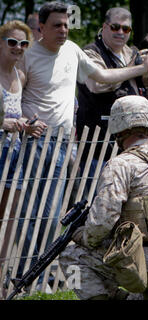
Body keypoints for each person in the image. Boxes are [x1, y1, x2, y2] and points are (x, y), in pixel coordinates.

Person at [17, 1, 148, 280]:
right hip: (35, 142)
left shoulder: (72, 50)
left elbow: (102, 76)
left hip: (64, 144)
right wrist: (23, 120)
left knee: (51, 212)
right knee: (31, 211)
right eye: (57, 25)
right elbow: (14, 93)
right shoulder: (28, 55)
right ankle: (26, 271)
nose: (64, 30)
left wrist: (139, 71)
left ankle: (40, 273)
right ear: (41, 27)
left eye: (67, 24)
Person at [59, 95, 148, 300]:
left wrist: (81, 234)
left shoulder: (121, 164)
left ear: (118, 126)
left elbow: (101, 223)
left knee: (70, 257)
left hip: (145, 265)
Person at [76, 7, 148, 191]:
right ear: (104, 27)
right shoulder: (90, 52)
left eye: (126, 29)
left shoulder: (133, 53)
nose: (120, 32)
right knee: (96, 202)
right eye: (116, 27)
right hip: (98, 144)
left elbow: (143, 86)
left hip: (131, 144)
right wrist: (137, 68)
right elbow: (98, 85)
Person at [0, 20, 34, 277]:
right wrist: (3, 123)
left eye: (23, 43)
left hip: (15, 152)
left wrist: (27, 125)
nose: (18, 47)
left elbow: (18, 115)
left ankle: (1, 271)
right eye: (12, 42)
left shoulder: (20, 76)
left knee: (10, 213)